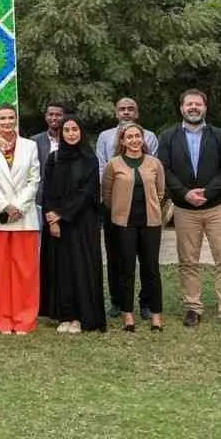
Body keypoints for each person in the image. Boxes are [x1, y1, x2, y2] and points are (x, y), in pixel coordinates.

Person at [157, 89, 221, 331]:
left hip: (217, 207)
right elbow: (164, 169)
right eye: (189, 104)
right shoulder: (168, 137)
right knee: (188, 261)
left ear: (205, 107)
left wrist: (207, 192)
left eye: (198, 104)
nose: (193, 108)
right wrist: (185, 193)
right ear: (181, 108)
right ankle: (192, 308)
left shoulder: (219, 135)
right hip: (184, 209)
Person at [0, 104, 42, 335]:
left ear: (16, 120)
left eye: (10, 118)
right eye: (2, 118)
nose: (6, 122)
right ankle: (2, 318)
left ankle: (24, 318)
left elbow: (34, 180)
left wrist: (19, 206)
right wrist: (5, 207)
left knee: (25, 271)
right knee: (0, 272)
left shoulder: (30, 146)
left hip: (25, 218)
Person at [94, 97, 160, 319]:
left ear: (137, 112)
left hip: (144, 207)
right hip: (114, 206)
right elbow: (102, 169)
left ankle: (146, 303)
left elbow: (155, 174)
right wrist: (115, 206)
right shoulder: (104, 137)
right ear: (116, 112)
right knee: (117, 258)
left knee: (147, 260)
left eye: (131, 109)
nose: (126, 112)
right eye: (122, 109)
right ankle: (118, 302)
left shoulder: (150, 136)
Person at [39, 116, 106, 333]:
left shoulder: (89, 159)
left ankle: (80, 316)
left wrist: (61, 214)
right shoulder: (53, 158)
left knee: (80, 268)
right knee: (62, 269)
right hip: (57, 224)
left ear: (81, 132)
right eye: (66, 130)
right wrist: (51, 217)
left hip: (82, 223)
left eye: (74, 129)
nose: (71, 133)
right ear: (61, 134)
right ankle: (64, 315)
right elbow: (47, 189)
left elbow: (87, 193)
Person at [101, 122, 166, 331]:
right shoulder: (114, 164)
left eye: (138, 136)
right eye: (129, 137)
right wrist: (119, 210)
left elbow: (161, 191)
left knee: (151, 269)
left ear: (143, 138)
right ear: (122, 140)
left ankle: (155, 314)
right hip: (124, 224)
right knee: (126, 269)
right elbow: (107, 194)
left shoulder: (154, 163)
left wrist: (153, 206)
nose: (134, 140)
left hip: (150, 223)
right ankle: (128, 314)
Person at [31, 101, 67, 206]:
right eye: (51, 114)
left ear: (64, 117)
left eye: (58, 115)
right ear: (46, 117)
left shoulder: (70, 139)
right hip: (40, 198)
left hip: (66, 197)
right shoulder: (34, 141)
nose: (54, 118)